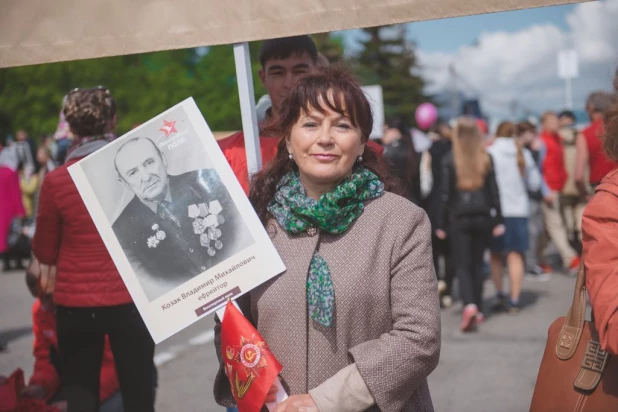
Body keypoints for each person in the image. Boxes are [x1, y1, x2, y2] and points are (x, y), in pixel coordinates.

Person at [214, 67, 440, 411]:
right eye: (310, 124)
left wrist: (323, 402)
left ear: (363, 141)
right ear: (288, 139)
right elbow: (230, 326)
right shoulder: (256, 226)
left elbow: (418, 337)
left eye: (342, 125)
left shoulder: (401, 222)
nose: (325, 137)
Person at [32, 87, 156, 411]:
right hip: (130, 299)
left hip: (75, 306)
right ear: (113, 119)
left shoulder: (56, 181)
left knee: (82, 396)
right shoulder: (128, 174)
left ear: (70, 128)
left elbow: (44, 252)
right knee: (139, 394)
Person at [112, 137, 253, 301]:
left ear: (163, 159)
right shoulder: (121, 231)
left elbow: (242, 238)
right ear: (125, 183)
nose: (145, 176)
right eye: (133, 173)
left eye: (149, 162)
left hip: (242, 290)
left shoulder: (208, 181)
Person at [21, 265, 123, 412]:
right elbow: (46, 358)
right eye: (39, 297)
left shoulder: (95, 306)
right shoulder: (41, 312)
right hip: (80, 380)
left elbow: (114, 367)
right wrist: (40, 386)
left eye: (48, 296)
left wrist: (76, 403)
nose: (44, 305)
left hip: (119, 379)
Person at [435, 117, 504, 331]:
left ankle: (470, 305)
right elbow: (494, 191)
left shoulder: (449, 158)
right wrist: (498, 218)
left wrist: (440, 222)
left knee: (462, 264)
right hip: (483, 217)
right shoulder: (485, 157)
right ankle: (479, 308)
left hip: (459, 218)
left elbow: (444, 193)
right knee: (476, 263)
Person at [581, 68, 618, 355]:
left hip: (597, 187)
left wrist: (584, 189)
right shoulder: (608, 207)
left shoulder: (586, 134)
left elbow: (578, 171)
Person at [488, 122, 542, 312]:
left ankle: (500, 293)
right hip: (519, 209)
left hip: (496, 211)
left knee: (495, 255)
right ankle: (515, 299)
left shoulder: (491, 152)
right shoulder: (523, 153)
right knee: (515, 255)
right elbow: (535, 183)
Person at [539, 111, 580, 274]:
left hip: (558, 187)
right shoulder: (542, 141)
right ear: (545, 124)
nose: (557, 124)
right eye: (553, 122)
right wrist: (545, 190)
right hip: (549, 189)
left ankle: (536, 258)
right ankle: (571, 259)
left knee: (547, 230)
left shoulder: (557, 139)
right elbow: (539, 169)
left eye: (557, 121)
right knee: (556, 224)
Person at [425, 122, 454, 307]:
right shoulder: (455, 150)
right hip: (452, 202)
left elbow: (425, 179)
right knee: (450, 251)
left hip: (434, 201)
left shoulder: (430, 151)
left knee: (433, 250)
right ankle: (449, 288)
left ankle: (435, 287)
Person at [517, 121, 551, 278]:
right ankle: (530, 265)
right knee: (532, 232)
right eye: (531, 132)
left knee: (538, 231)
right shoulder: (519, 151)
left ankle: (533, 262)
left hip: (536, 195)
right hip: (526, 196)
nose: (533, 135)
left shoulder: (535, 148)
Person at [575, 92, 617, 197]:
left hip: (600, 190)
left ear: (591, 108)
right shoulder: (614, 128)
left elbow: (578, 176)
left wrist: (585, 194)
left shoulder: (584, 134)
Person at [558, 110, 586, 252]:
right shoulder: (581, 135)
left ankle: (575, 250)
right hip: (579, 184)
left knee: (568, 222)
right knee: (578, 222)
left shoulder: (557, 138)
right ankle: (581, 251)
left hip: (565, 185)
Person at [381, 116, 421, 204]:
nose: (382, 136)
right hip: (413, 201)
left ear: (395, 131)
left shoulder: (389, 153)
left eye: (385, 131)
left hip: (396, 201)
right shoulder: (412, 150)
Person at [0, 144, 26, 270]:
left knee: (3, 236)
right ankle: (17, 261)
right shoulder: (12, 173)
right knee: (15, 235)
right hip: (11, 209)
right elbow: (16, 193)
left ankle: (5, 263)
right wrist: (20, 210)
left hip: (1, 209)